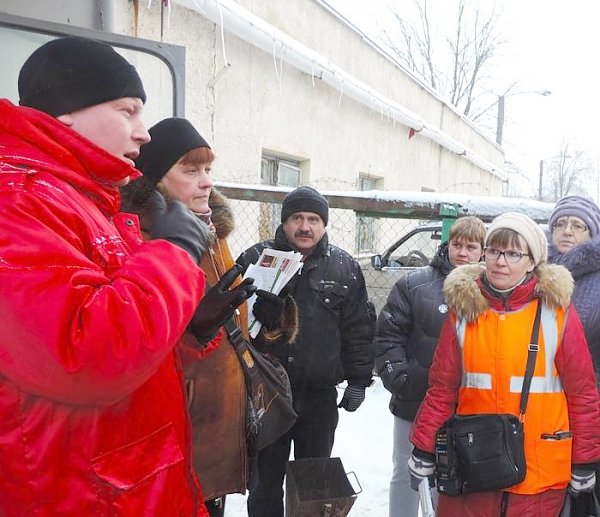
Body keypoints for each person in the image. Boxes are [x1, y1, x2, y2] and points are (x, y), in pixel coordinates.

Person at [0, 36, 252, 516]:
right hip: (75, 493)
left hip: (123, 485)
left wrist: (190, 332)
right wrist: (174, 253)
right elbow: (88, 354)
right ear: (68, 109)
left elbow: (123, 330)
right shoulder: (17, 202)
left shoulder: (83, 199)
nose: (144, 133)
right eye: (128, 110)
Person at [122, 117, 297, 517]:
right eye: (190, 169)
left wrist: (268, 318)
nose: (206, 182)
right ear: (153, 180)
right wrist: (194, 329)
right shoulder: (139, 241)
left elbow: (233, 326)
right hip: (177, 429)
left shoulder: (212, 234)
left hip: (220, 417)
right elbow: (134, 347)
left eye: (208, 169)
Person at [410, 212, 600, 516]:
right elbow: (442, 388)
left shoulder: (557, 313)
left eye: (513, 253)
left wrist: (584, 461)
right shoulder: (464, 312)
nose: (501, 261)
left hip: (537, 472)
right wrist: (423, 446)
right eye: (495, 251)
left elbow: (583, 393)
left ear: (531, 261)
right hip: (472, 464)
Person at [236, 186, 376, 517]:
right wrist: (254, 312)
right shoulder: (255, 258)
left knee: (316, 485)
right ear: (284, 222)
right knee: (264, 484)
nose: (305, 226)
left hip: (318, 397)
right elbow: (228, 321)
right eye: (297, 218)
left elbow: (358, 327)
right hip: (265, 394)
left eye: (314, 219)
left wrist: (358, 380)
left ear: (324, 225)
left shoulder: (344, 267)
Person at [374, 216, 486, 517]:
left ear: (483, 252)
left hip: (469, 403)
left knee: (455, 476)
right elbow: (388, 334)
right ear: (446, 245)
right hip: (415, 397)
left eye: (471, 247)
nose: (462, 253)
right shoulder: (414, 284)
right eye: (457, 244)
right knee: (406, 469)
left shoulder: (490, 292)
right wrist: (402, 378)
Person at [547, 195, 600, 503]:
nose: (567, 231)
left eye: (577, 225)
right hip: (540, 405)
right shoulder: (532, 270)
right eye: (561, 224)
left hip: (590, 407)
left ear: (591, 234)